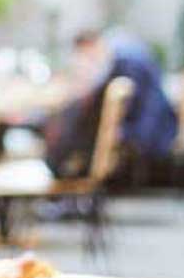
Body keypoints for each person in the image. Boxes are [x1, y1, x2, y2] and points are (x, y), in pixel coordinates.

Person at [41, 29, 177, 178]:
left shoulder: (124, 61)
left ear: (89, 46)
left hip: (146, 132)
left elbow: (131, 108)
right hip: (148, 125)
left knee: (71, 117)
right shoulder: (122, 52)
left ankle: (56, 167)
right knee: (73, 114)